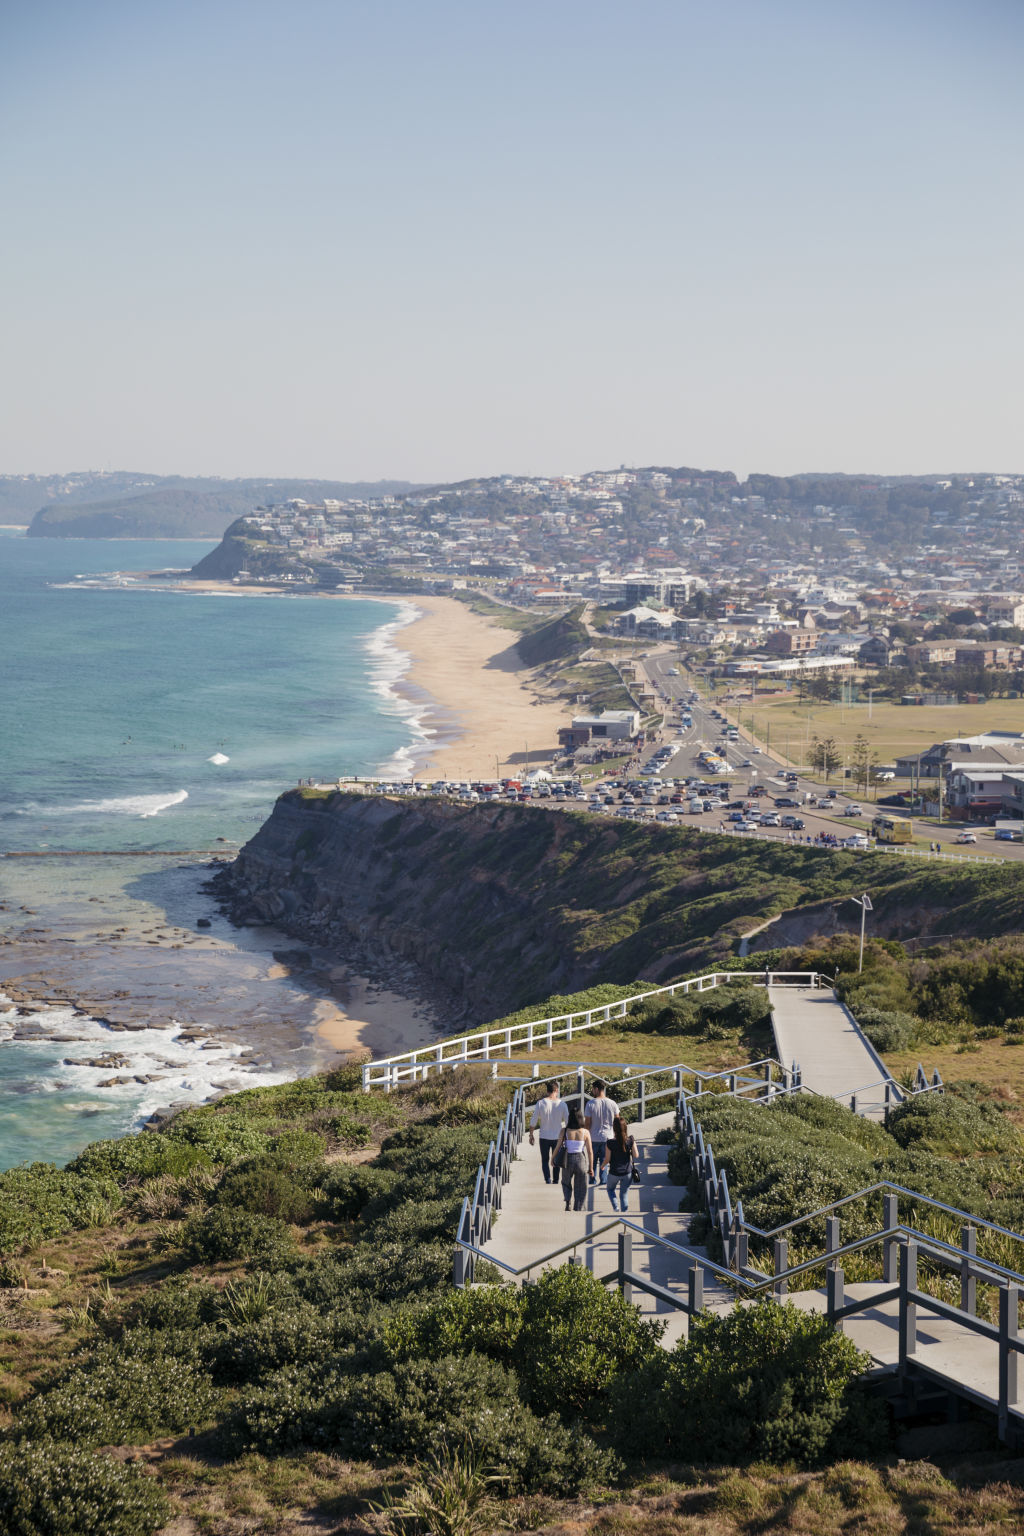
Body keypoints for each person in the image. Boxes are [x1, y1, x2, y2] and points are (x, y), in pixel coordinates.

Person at [528, 1080, 568, 1186]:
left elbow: (533, 1121)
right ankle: (555, 1180)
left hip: (544, 1136)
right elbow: (568, 1122)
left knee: (545, 1160)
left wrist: (531, 1135)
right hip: (557, 1136)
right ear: (556, 1090)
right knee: (556, 1159)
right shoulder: (562, 1104)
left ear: (547, 1091)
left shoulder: (540, 1103)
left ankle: (547, 1179)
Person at [553, 1106, 593, 1211]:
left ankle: (567, 1201)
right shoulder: (585, 1132)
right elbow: (590, 1152)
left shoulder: (564, 1131)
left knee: (566, 1182)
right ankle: (578, 1206)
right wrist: (591, 1167)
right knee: (581, 1185)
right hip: (581, 1159)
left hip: (567, 1159)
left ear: (570, 1118)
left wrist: (552, 1159)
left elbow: (558, 1146)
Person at [584, 1079, 619, 1185]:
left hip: (593, 1137)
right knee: (605, 1160)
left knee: (592, 1160)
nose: (592, 1091)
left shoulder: (590, 1104)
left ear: (596, 1089)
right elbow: (617, 1121)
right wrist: (617, 1136)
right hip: (608, 1137)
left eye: (593, 1089)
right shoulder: (612, 1103)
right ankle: (603, 1181)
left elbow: (587, 1123)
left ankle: (592, 1180)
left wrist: (585, 1136)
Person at [603, 1115, 638, 1211]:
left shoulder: (610, 1142)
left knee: (610, 1189)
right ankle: (624, 1213)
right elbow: (636, 1155)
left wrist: (602, 1166)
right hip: (627, 1172)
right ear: (625, 1127)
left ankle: (616, 1207)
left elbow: (607, 1159)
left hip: (614, 1172)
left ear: (614, 1129)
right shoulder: (630, 1140)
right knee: (624, 1194)